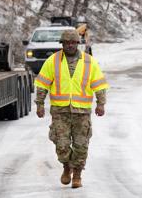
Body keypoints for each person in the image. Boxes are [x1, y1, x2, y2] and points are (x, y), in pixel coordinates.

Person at [34, 29, 109, 189]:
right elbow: (42, 84)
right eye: (66, 43)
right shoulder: (52, 61)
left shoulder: (89, 62)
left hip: (82, 112)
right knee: (61, 144)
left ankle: (78, 175)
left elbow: (99, 84)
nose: (70, 45)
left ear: (77, 43)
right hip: (60, 112)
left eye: (73, 43)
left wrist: (101, 103)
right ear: (62, 44)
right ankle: (66, 167)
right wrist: (40, 104)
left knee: (81, 145)